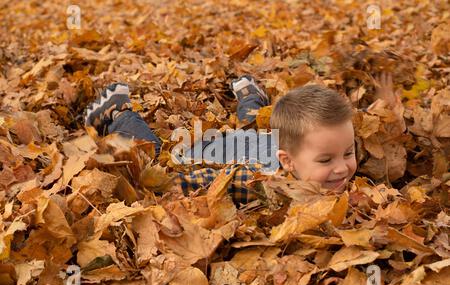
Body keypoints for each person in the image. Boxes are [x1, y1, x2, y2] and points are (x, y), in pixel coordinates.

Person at [84, 75, 358, 205]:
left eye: (348, 153)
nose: (343, 168)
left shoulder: (322, 145)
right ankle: (118, 113)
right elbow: (179, 183)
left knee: (253, 128)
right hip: (210, 153)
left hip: (256, 142)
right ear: (287, 162)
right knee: (158, 161)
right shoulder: (254, 182)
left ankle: (251, 97)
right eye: (326, 160)